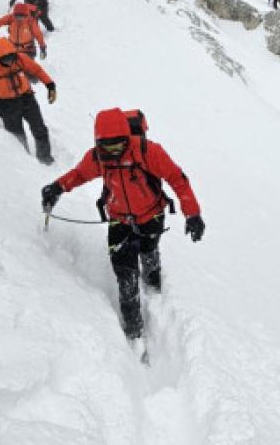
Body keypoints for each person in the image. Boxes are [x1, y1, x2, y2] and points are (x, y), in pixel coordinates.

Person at [40, 108, 205, 341]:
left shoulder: (148, 151)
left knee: (149, 251)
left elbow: (177, 179)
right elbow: (79, 175)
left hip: (152, 215)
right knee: (124, 273)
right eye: (106, 147)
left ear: (127, 138)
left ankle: (153, 281)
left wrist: (193, 213)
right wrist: (57, 187)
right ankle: (133, 328)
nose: (112, 152)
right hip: (119, 219)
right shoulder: (98, 157)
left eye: (117, 146)